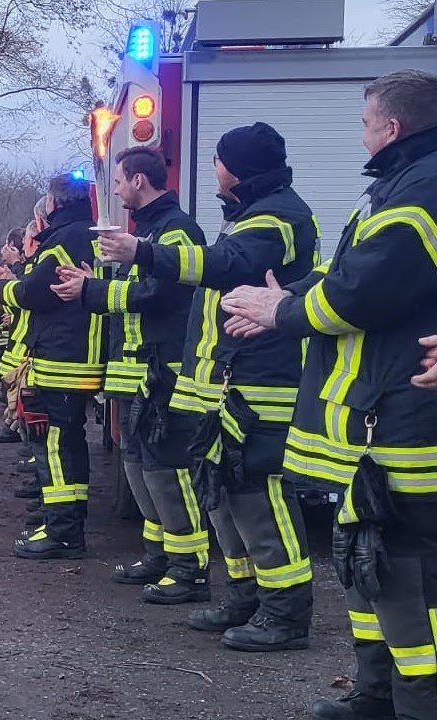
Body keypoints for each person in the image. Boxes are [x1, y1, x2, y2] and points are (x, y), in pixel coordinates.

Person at [220, 71, 437, 715]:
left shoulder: (419, 191)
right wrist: (289, 296)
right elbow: (345, 273)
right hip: (374, 418)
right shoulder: (397, 186)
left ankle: (416, 704)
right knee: (365, 563)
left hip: (402, 419)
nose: (361, 134)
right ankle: (377, 694)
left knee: (403, 576)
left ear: (392, 128)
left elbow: (360, 293)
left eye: (366, 123)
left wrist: (281, 311)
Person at [99, 122, 317, 652]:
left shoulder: (278, 217)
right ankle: (245, 595)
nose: (214, 169)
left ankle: (285, 612)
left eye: (219, 160)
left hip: (260, 382)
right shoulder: (253, 213)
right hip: (230, 380)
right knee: (225, 494)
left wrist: (143, 253)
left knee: (260, 496)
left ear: (236, 167)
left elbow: (224, 265)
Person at [52, 147, 210, 603]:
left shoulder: (177, 230)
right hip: (142, 370)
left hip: (167, 370)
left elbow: (160, 295)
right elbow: (134, 290)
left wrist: (95, 291)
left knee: (168, 469)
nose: (116, 190)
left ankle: (190, 569)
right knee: (140, 466)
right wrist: (94, 283)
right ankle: (159, 554)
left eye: (119, 181)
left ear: (139, 180)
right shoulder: (150, 230)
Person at [0, 175, 105, 560]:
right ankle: (66, 521)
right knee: (70, 445)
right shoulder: (89, 234)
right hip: (81, 356)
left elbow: (35, 293)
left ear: (54, 203)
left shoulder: (63, 241)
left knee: (57, 448)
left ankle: (63, 533)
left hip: (62, 359)